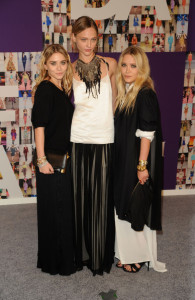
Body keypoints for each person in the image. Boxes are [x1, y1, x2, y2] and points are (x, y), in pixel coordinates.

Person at [70, 16, 117, 275]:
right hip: (78, 137)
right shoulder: (68, 68)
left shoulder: (111, 64)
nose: (88, 45)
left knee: (101, 200)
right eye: (83, 39)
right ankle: (81, 256)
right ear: (74, 39)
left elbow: (116, 103)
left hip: (104, 138)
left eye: (93, 39)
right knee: (79, 200)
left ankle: (99, 258)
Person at [114, 46, 167, 273]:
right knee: (125, 205)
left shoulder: (144, 93)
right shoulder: (126, 91)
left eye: (133, 66)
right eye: (124, 65)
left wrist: (142, 166)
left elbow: (147, 134)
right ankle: (125, 253)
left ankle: (137, 256)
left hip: (135, 161)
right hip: (124, 159)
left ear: (141, 68)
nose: (127, 70)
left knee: (134, 206)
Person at [31, 44, 76, 276]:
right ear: (45, 66)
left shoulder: (61, 88)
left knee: (58, 209)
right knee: (56, 210)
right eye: (53, 63)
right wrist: (41, 160)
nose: (59, 68)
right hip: (50, 159)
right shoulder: (46, 89)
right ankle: (57, 263)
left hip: (61, 158)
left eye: (63, 62)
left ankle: (56, 259)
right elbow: (39, 126)